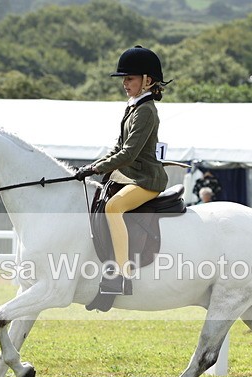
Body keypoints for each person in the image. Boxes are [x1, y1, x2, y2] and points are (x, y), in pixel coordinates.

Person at [73, 45, 172, 295]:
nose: (125, 83)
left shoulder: (146, 111)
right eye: (124, 79)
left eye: (130, 78)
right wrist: (91, 166)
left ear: (147, 80)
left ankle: (121, 275)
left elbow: (129, 153)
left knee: (113, 207)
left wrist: (96, 168)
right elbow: (117, 147)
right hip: (129, 175)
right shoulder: (133, 106)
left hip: (147, 180)